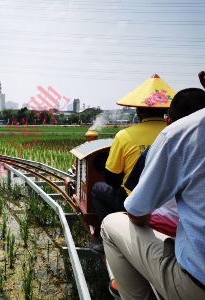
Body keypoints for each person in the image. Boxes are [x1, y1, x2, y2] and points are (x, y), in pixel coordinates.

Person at [101, 86, 205, 300]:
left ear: (139, 113)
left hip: (194, 280)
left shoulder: (175, 135)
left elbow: (115, 182)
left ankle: (120, 285)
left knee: (111, 220)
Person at [90, 74, 173, 255]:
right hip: (171, 207)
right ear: (166, 109)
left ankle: (108, 239)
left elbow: (111, 178)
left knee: (97, 188)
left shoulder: (124, 135)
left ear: (139, 112)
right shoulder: (175, 133)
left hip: (136, 206)